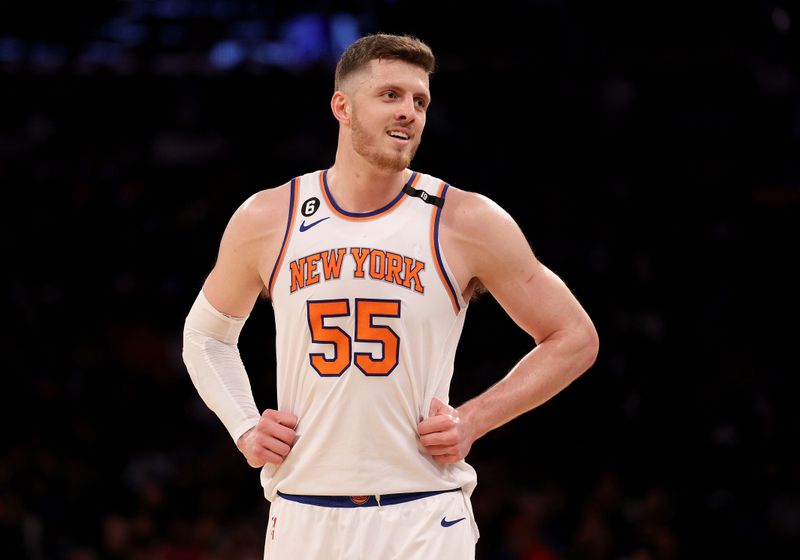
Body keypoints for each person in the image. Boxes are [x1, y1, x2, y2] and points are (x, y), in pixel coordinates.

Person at [182, 32, 599, 560]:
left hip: (421, 512)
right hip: (303, 512)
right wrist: (243, 425)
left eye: (420, 101)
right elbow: (205, 336)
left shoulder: (464, 219)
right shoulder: (269, 217)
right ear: (342, 106)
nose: (409, 112)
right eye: (391, 95)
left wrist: (474, 419)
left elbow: (573, 336)